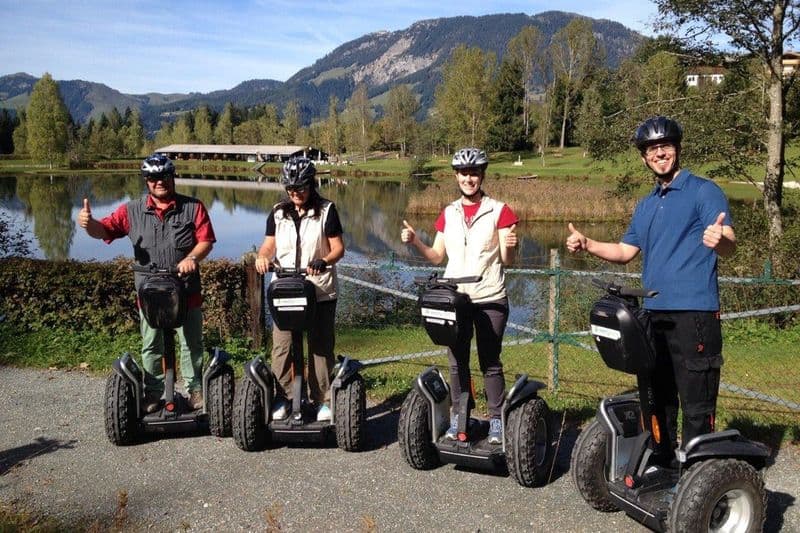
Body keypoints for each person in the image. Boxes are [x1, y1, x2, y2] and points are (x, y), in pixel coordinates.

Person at [566, 116, 736, 454]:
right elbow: (625, 251)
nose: (660, 153)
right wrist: (589, 244)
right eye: (652, 149)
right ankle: (663, 463)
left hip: (694, 315)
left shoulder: (703, 191)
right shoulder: (646, 205)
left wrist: (720, 240)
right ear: (644, 157)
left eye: (665, 146)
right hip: (652, 314)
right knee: (657, 400)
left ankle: (698, 475)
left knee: (696, 404)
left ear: (677, 149)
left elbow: (729, 242)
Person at [77, 154, 216, 413]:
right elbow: (105, 231)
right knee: (151, 344)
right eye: (153, 178)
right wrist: (89, 224)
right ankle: (153, 393)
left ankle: (195, 390)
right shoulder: (131, 210)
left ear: (172, 177)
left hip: (186, 290)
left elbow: (206, 240)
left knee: (191, 343)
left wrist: (192, 258)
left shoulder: (193, 207)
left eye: (163, 176)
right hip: (150, 293)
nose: (159, 182)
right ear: (146, 181)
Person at [401, 147, 519, 444]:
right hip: (456, 300)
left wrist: (511, 244)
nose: (469, 178)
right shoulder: (448, 213)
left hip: (490, 296)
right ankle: (459, 416)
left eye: (474, 173)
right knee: (457, 361)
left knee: (490, 361)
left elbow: (509, 260)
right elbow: (437, 257)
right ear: (456, 176)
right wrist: (416, 241)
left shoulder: (500, 210)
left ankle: (496, 420)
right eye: (464, 173)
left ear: (482, 175)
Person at [254, 157, 345, 422]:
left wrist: (323, 260)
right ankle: (285, 397)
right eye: (291, 189)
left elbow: (338, 248)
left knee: (320, 347)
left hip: (318, 290)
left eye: (300, 188)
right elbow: (268, 245)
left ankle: (322, 400)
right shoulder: (278, 212)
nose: (295, 194)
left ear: (311, 184)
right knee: (282, 348)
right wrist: (262, 257)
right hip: (285, 289)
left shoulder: (327, 210)